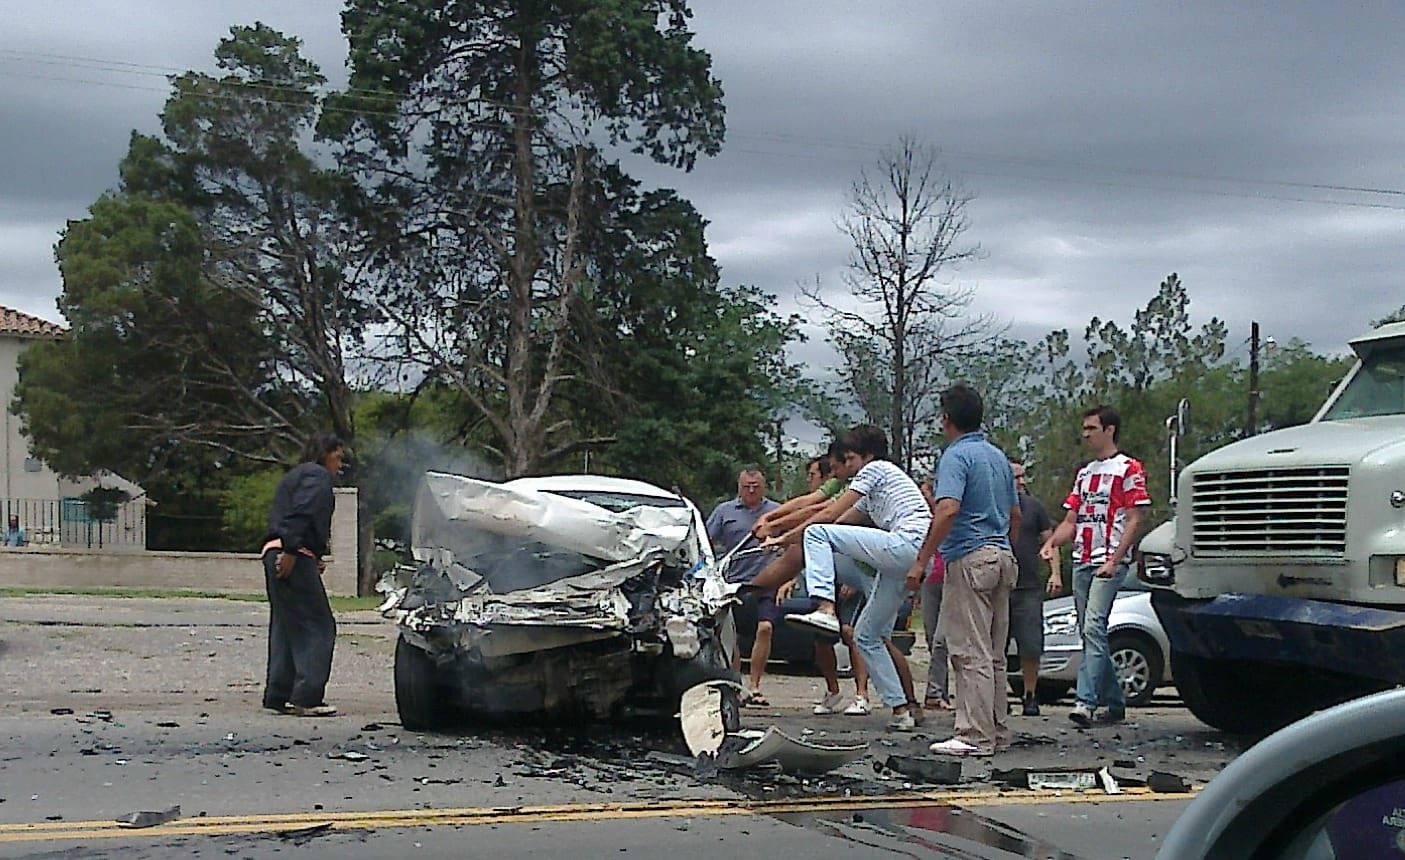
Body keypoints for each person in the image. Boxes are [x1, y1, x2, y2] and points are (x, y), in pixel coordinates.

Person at [784, 425, 932, 731]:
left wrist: (783, 536)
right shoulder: (873, 494)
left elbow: (825, 519)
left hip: (907, 544)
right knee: (866, 635)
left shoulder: (876, 469)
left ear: (867, 456)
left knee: (817, 534)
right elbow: (839, 521)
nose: (847, 466)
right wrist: (785, 538)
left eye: (850, 458)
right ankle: (900, 710)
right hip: (907, 558)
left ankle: (825, 608)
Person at [908, 385, 1020, 757]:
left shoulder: (956, 457)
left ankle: (973, 734)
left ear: (946, 419)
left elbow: (948, 509)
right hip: (1002, 556)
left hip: (970, 557)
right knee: (994, 653)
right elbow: (1015, 514)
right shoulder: (998, 458)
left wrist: (923, 558)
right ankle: (997, 729)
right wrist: (1005, 545)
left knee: (968, 650)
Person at [1040, 405, 1151, 727]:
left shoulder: (1128, 468)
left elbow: (1135, 518)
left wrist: (1116, 560)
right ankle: (1115, 703)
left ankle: (1085, 701)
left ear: (1109, 430)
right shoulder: (1085, 473)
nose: (1085, 434)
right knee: (1092, 635)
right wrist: (1052, 543)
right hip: (1082, 560)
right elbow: (1071, 519)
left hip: (1108, 561)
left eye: (1091, 428)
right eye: (1085, 428)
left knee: (1093, 627)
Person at [760, 446, 875, 716]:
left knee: (851, 632)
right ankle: (833, 691)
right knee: (821, 640)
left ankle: (862, 694)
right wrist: (770, 519)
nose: (813, 478)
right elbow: (807, 503)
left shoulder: (855, 489)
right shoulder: (834, 485)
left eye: (815, 473)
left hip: (855, 568)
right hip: (826, 573)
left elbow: (823, 512)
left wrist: (776, 530)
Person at [261, 431, 345, 717]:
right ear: (325, 453)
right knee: (319, 626)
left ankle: (277, 695)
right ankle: (307, 697)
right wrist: (293, 550)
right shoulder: (317, 477)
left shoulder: (294, 475)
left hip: (278, 550)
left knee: (286, 624)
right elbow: (302, 513)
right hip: (290, 552)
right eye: (337, 456)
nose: (339, 464)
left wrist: (311, 554)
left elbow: (288, 515)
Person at [705, 467, 780, 706]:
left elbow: (793, 546)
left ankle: (755, 686)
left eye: (755, 486)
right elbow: (707, 542)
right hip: (734, 584)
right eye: (746, 485)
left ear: (763, 487)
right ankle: (736, 686)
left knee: (766, 627)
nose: (751, 490)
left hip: (768, 581)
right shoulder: (724, 511)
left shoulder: (777, 512)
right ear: (739, 486)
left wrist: (789, 579)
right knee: (731, 637)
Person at [1009, 461, 1059, 716]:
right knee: (995, 646)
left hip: (1028, 585)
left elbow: (1050, 541)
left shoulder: (1034, 507)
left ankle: (1030, 695)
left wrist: (1055, 573)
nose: (1020, 481)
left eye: (1021, 476)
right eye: (1014, 476)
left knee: (1030, 645)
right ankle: (997, 696)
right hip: (1000, 586)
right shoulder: (993, 504)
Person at [916, 480, 951, 711]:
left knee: (942, 639)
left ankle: (934, 692)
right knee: (931, 638)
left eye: (927, 495)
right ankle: (942, 692)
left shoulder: (949, 518)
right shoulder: (920, 522)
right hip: (930, 581)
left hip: (950, 580)